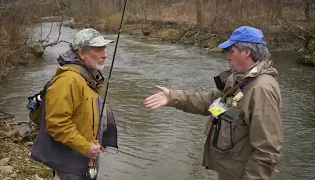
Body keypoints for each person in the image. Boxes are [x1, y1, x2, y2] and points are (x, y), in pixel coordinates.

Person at [144, 26, 283, 180]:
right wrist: (173, 97)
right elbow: (212, 103)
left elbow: (267, 150)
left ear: (247, 52)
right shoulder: (242, 81)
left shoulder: (261, 89)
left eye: (231, 52)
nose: (228, 58)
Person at [31, 28, 117, 180]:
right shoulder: (67, 80)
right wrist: (86, 147)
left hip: (86, 158)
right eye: (98, 50)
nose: (104, 55)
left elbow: (88, 114)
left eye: (104, 49)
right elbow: (57, 124)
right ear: (81, 53)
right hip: (71, 164)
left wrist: (100, 137)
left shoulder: (89, 76)